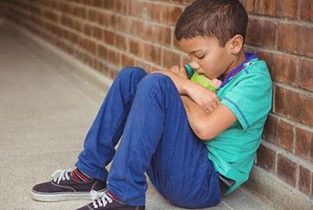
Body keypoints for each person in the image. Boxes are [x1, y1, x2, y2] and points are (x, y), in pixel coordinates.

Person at [31, 0, 272, 209]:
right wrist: (189, 86)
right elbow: (155, 78)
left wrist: (182, 89)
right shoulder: (208, 70)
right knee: (132, 77)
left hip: (203, 184)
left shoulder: (253, 80)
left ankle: (124, 197)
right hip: (178, 167)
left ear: (234, 45)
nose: (194, 64)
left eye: (199, 56)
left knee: (157, 85)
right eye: (189, 57)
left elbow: (205, 128)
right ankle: (88, 172)